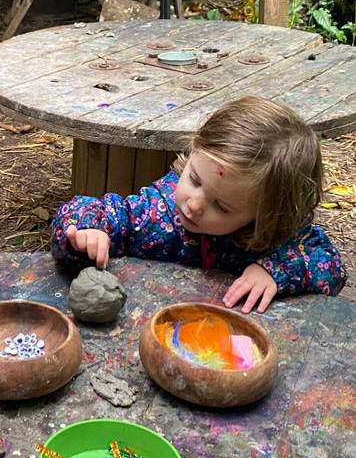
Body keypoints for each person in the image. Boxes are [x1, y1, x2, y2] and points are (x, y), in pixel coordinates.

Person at [50, 97, 346, 314]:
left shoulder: (280, 241)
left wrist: (275, 272)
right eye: (194, 178)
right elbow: (94, 211)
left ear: (268, 217)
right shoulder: (156, 212)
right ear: (192, 152)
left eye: (222, 206)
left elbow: (331, 267)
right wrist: (84, 230)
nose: (193, 204)